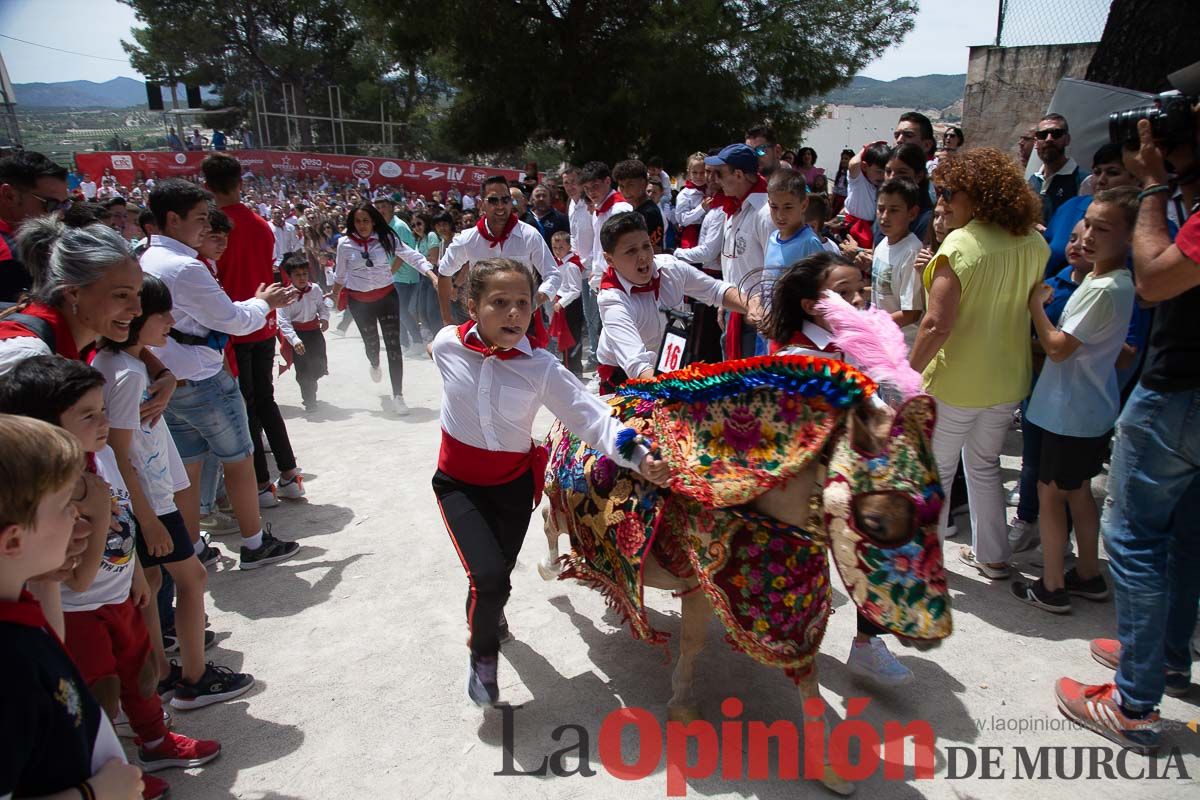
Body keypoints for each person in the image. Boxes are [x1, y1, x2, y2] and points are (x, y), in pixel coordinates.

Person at [430, 256, 669, 706]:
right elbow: (436, 348)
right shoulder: (447, 345)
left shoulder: (540, 367)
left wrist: (639, 455)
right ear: (472, 305)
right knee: (489, 578)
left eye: (522, 303)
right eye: (499, 303)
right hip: (457, 485)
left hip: (514, 488)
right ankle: (482, 657)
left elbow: (591, 418)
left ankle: (489, 613)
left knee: (494, 572)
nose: (514, 313)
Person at [0, 356, 223, 787]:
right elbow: (76, 576)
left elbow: (122, 520)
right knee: (99, 692)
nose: (104, 421)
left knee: (139, 676)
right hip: (81, 608)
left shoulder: (100, 459)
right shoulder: (49, 490)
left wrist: (138, 575)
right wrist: (96, 511)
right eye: (88, 414)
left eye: (104, 409)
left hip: (120, 594)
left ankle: (156, 743)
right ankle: (110, 769)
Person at [1055, 115, 1200, 750]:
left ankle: (1135, 704)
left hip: (1180, 392)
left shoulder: (1169, 201)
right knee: (1182, 535)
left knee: (1136, 539)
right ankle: (1163, 655)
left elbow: (1156, 278)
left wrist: (1154, 191)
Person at [89, 276, 247, 710]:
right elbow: (119, 456)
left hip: (147, 497)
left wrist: (167, 377)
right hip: (147, 501)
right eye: (161, 314)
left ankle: (160, 673)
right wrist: (149, 518)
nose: (171, 321)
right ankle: (194, 678)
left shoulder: (125, 362)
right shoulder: (123, 377)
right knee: (193, 578)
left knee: (154, 579)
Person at [140, 179, 301, 570]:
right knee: (239, 460)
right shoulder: (184, 267)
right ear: (173, 219)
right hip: (204, 380)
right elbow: (232, 320)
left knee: (189, 468)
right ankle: (254, 543)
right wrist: (264, 303)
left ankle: (194, 546)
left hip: (168, 381)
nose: (206, 227)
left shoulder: (146, 257)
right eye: (199, 219)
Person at [908, 148, 1047, 580]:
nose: (943, 201)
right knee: (984, 466)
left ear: (979, 194)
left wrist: (906, 372)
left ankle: (921, 568)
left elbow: (935, 324)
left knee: (935, 472)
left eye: (950, 192)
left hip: (957, 382)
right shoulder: (1034, 242)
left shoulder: (962, 244)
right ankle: (993, 555)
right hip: (1008, 379)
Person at [0, 413, 149, 800]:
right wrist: (94, 794)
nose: (79, 522)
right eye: (66, 505)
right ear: (13, 542)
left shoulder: (18, 603)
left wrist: (46, 571)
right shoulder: (7, 663)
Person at [1014, 187, 1137, 614]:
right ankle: (1087, 572)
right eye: (1087, 224)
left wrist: (1034, 304)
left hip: (1067, 413)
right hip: (1087, 409)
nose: (1087, 236)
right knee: (1079, 493)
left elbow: (1057, 346)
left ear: (1130, 237)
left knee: (1051, 496)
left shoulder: (1103, 288)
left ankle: (1051, 585)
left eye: (1102, 229)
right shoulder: (1113, 283)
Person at [202, 155, 305, 508]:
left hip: (230, 330)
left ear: (206, 186)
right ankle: (289, 476)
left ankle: (262, 486)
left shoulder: (212, 230)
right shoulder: (261, 224)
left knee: (244, 409)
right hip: (262, 323)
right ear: (240, 183)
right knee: (266, 401)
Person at [594, 212, 758, 393]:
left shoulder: (670, 268)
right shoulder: (611, 300)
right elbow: (637, 364)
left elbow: (716, 290)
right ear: (610, 260)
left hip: (667, 366)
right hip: (625, 378)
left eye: (646, 246)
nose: (643, 256)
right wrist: (675, 392)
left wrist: (751, 304)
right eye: (631, 251)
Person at [332, 202, 436, 416]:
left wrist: (431, 274)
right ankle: (374, 361)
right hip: (359, 302)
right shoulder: (344, 244)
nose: (362, 225)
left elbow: (412, 255)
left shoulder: (387, 238)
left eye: (366, 221)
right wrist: (334, 296)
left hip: (387, 297)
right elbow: (340, 275)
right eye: (358, 221)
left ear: (373, 222)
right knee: (372, 346)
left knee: (393, 346)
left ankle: (398, 396)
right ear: (352, 223)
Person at [437, 175, 560, 332]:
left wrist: (536, 301)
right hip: (484, 323)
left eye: (505, 200)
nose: (500, 205)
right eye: (493, 200)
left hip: (522, 323)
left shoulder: (529, 235)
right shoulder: (467, 239)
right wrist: (447, 318)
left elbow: (553, 274)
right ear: (482, 204)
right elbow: (444, 272)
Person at [704, 143, 773, 359]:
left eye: (720, 173)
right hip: (734, 310)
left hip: (756, 316)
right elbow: (731, 261)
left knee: (750, 386)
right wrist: (724, 302)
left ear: (739, 174)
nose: (715, 179)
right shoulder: (733, 209)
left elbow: (772, 269)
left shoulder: (765, 213)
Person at [1042, 143, 1140, 277]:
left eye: (1112, 173)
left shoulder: (1147, 220)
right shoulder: (1070, 207)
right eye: (1097, 172)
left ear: (1135, 178)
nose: (1101, 180)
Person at [0, 150, 70, 302]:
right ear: (10, 196)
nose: (60, 214)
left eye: (65, 205)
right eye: (52, 205)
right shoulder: (9, 256)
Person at [870, 178, 925, 345]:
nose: (885, 217)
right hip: (881, 339)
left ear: (912, 213)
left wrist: (871, 326)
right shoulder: (882, 244)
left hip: (902, 346)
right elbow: (884, 290)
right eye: (881, 209)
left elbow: (911, 313)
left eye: (894, 210)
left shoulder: (912, 251)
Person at [277, 256, 330, 411]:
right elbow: (283, 322)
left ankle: (311, 387)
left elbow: (322, 306)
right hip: (298, 335)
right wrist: (294, 340)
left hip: (314, 332)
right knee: (303, 369)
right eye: (297, 275)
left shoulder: (315, 289)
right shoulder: (285, 295)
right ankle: (309, 400)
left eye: (304, 274)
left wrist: (325, 318)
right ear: (289, 276)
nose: (302, 278)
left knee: (319, 366)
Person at [763, 169, 823, 301]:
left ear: (804, 205)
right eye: (774, 207)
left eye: (788, 207)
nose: (780, 215)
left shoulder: (809, 242)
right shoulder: (773, 237)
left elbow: (820, 290)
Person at [580, 161, 633, 300]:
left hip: (617, 280)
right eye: (586, 188)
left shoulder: (620, 209)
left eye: (595, 186)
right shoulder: (598, 210)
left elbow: (625, 249)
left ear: (608, 181)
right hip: (602, 279)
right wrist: (595, 269)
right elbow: (598, 245)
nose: (591, 192)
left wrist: (604, 273)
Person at [1028, 113, 1084, 224]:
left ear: (1067, 139)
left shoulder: (1083, 181)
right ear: (1035, 142)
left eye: (1056, 134)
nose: (1049, 139)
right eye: (1043, 135)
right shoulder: (1033, 180)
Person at [548, 230, 586, 377]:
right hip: (562, 303)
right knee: (563, 335)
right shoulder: (559, 263)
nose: (557, 252)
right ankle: (568, 365)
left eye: (561, 248)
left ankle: (575, 368)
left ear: (569, 247)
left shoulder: (571, 265)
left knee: (573, 336)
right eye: (555, 248)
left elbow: (575, 289)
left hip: (570, 305)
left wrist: (562, 302)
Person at [843, 142, 890, 249]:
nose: (882, 176)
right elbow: (853, 164)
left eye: (886, 172)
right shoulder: (858, 179)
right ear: (864, 166)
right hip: (852, 227)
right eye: (878, 171)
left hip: (871, 228)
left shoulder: (882, 185)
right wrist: (865, 148)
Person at [612, 159, 665, 252]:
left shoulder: (649, 213)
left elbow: (655, 250)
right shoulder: (637, 210)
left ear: (644, 184)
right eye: (622, 186)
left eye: (630, 185)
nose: (625, 191)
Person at [675, 153, 709, 249]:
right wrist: (701, 208)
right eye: (695, 172)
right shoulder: (685, 194)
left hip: (710, 232)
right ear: (689, 172)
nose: (699, 176)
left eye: (702, 172)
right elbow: (682, 219)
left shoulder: (712, 190)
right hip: (691, 235)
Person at [529, 184, 569, 248]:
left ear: (550, 199)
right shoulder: (525, 218)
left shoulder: (561, 219)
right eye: (538, 196)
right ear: (532, 200)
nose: (541, 199)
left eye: (544, 196)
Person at [267, 206, 300, 274]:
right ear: (271, 215)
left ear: (282, 214)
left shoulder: (290, 227)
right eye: (275, 213)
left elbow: (295, 241)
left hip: (287, 256)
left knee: (290, 275)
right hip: (274, 257)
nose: (277, 215)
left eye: (279, 213)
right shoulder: (268, 226)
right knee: (277, 278)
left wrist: (292, 252)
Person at [832, 148, 853, 217]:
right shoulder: (839, 173)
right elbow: (835, 190)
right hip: (836, 201)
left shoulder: (852, 175)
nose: (843, 161)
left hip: (846, 202)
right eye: (842, 159)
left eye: (846, 159)